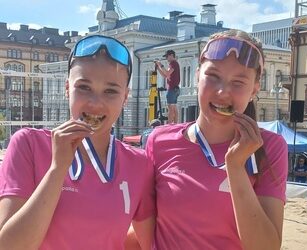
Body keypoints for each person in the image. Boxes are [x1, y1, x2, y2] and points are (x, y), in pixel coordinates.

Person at [133, 29, 288, 250]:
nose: (223, 92)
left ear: (254, 89)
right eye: (213, 76)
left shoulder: (269, 147)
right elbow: (142, 228)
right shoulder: (159, 141)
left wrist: (235, 168)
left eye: (238, 82)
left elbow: (266, 246)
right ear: (197, 76)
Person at [0, 35, 154, 250]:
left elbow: (146, 242)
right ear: (67, 88)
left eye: (110, 91)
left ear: (125, 97)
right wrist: (57, 168)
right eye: (84, 87)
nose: (95, 103)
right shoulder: (29, 144)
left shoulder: (140, 163)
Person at [155, 50, 180, 124]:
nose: (166, 58)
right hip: (175, 89)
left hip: (172, 89)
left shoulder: (173, 63)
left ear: (171, 55)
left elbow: (167, 73)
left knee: (170, 109)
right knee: (174, 108)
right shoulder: (174, 64)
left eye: (167, 56)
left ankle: (169, 125)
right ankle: (175, 124)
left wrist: (161, 65)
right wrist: (158, 67)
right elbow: (165, 75)